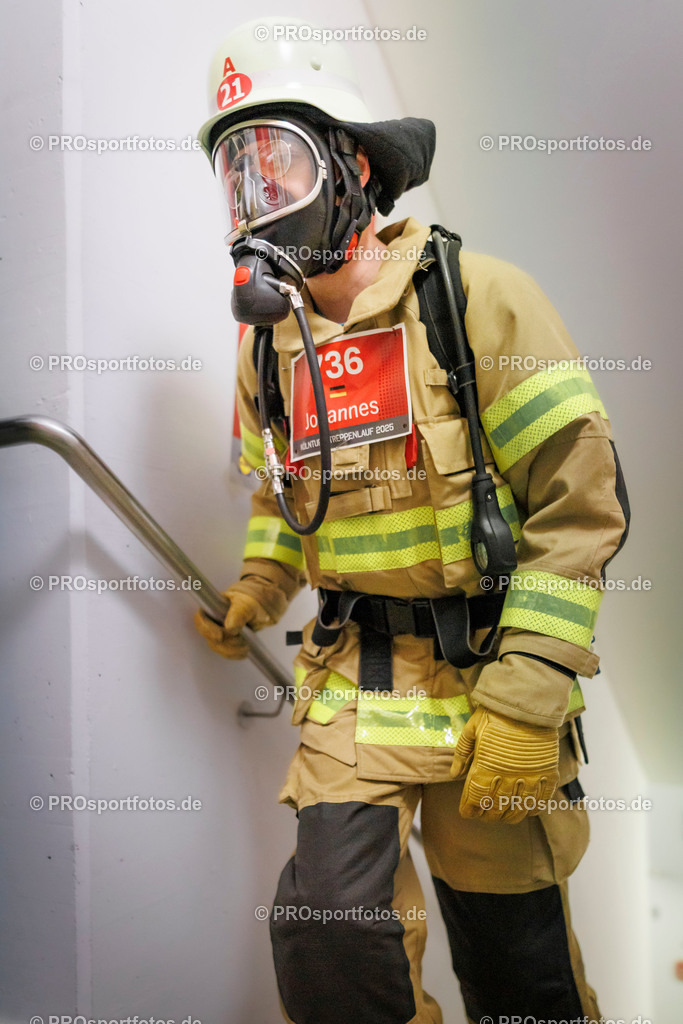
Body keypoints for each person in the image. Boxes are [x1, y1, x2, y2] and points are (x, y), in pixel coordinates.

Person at [194, 17, 630, 1024]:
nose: (254, 205)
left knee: (514, 965)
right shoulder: (270, 353)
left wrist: (526, 697)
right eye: (236, 178)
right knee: (329, 937)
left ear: (349, 168)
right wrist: (260, 586)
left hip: (490, 673)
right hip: (357, 688)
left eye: (277, 168)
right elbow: (279, 494)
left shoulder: (475, 297)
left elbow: (579, 509)